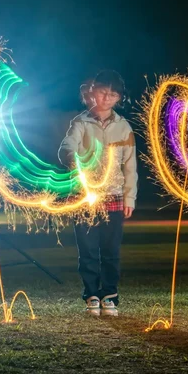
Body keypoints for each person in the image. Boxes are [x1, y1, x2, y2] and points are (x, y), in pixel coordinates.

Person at [59, 70, 138, 317]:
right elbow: (66, 147)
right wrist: (73, 160)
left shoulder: (124, 126)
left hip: (114, 196)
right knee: (88, 250)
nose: (107, 98)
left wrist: (130, 197)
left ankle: (110, 296)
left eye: (113, 94)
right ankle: (91, 294)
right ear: (93, 93)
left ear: (118, 98)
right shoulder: (81, 123)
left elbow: (130, 166)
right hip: (85, 196)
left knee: (111, 250)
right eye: (103, 92)